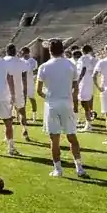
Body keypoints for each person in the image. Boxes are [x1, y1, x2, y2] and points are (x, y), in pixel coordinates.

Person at [36, 38, 85, 177]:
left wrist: (50, 97)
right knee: (72, 136)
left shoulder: (44, 67)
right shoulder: (70, 65)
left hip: (52, 104)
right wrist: (72, 101)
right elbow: (76, 88)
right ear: (63, 50)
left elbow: (39, 90)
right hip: (66, 103)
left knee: (54, 139)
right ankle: (79, 168)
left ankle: (58, 169)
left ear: (50, 51)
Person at [5, 44, 31, 139]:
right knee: (22, 111)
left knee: (7, 114)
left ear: (7, 51)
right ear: (15, 51)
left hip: (7, 91)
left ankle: (8, 134)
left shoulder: (3, 61)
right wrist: (25, 90)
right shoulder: (21, 62)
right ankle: (25, 129)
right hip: (19, 89)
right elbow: (24, 77)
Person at [21, 46, 41, 123]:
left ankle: (34, 117)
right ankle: (22, 117)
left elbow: (35, 71)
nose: (23, 54)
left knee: (32, 99)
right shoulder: (20, 61)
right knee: (22, 100)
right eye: (22, 53)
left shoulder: (32, 61)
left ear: (27, 53)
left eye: (24, 52)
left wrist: (32, 77)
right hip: (22, 83)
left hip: (30, 83)